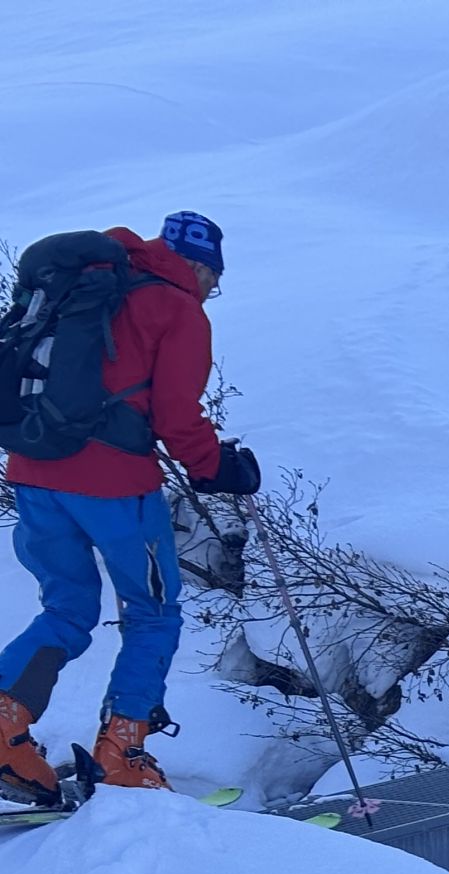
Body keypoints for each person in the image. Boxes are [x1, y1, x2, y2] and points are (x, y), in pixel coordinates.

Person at [0, 211, 258, 802]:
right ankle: (123, 753)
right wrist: (218, 468)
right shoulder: (177, 308)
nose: (210, 293)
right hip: (115, 487)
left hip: (34, 473)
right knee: (153, 613)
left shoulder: (84, 285)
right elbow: (176, 416)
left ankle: (4, 725)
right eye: (213, 281)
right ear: (198, 266)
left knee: (66, 609)